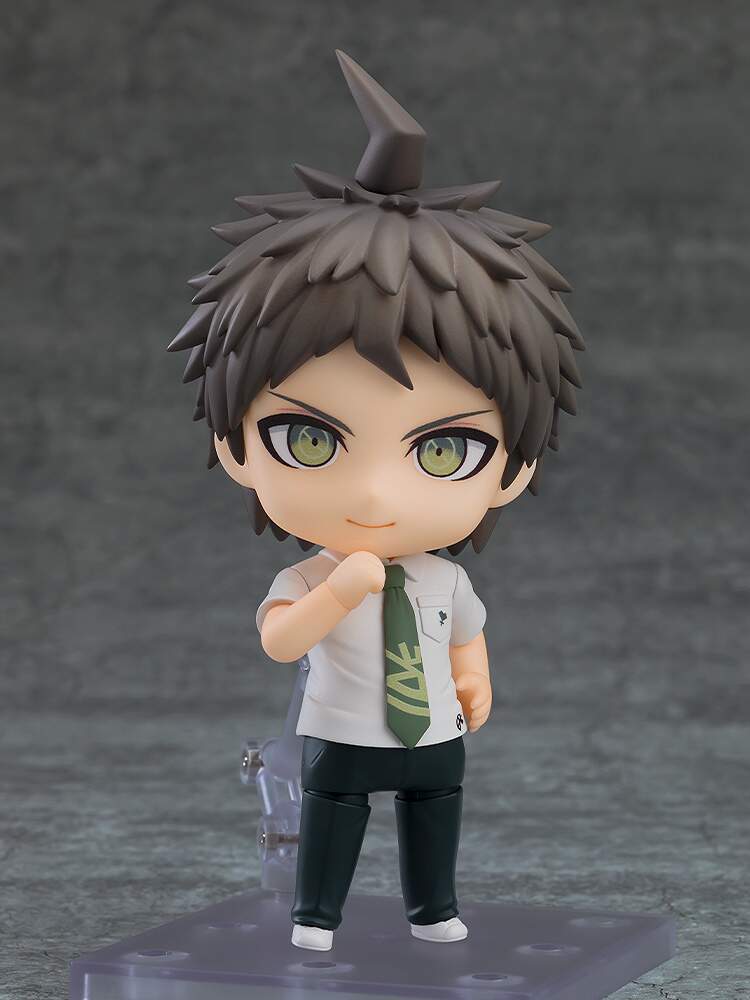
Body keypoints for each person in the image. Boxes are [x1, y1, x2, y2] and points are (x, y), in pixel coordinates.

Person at [168, 50, 584, 952]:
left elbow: (466, 632)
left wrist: (474, 677)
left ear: (512, 469)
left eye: (444, 450)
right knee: (336, 816)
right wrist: (337, 593)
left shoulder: (443, 580)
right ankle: (316, 915)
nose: (373, 491)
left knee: (436, 813)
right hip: (340, 733)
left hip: (434, 731)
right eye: (310, 440)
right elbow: (281, 641)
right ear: (235, 447)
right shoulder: (309, 573)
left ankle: (433, 909)